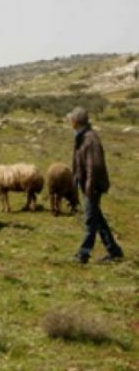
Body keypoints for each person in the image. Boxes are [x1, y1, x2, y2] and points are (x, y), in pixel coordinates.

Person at [69, 107, 124, 264]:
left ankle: (83, 254)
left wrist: (89, 187)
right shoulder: (82, 136)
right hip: (87, 185)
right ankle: (114, 251)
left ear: (76, 121)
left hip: (92, 187)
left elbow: (94, 166)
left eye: (71, 119)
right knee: (97, 219)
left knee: (90, 220)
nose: (70, 122)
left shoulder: (90, 139)